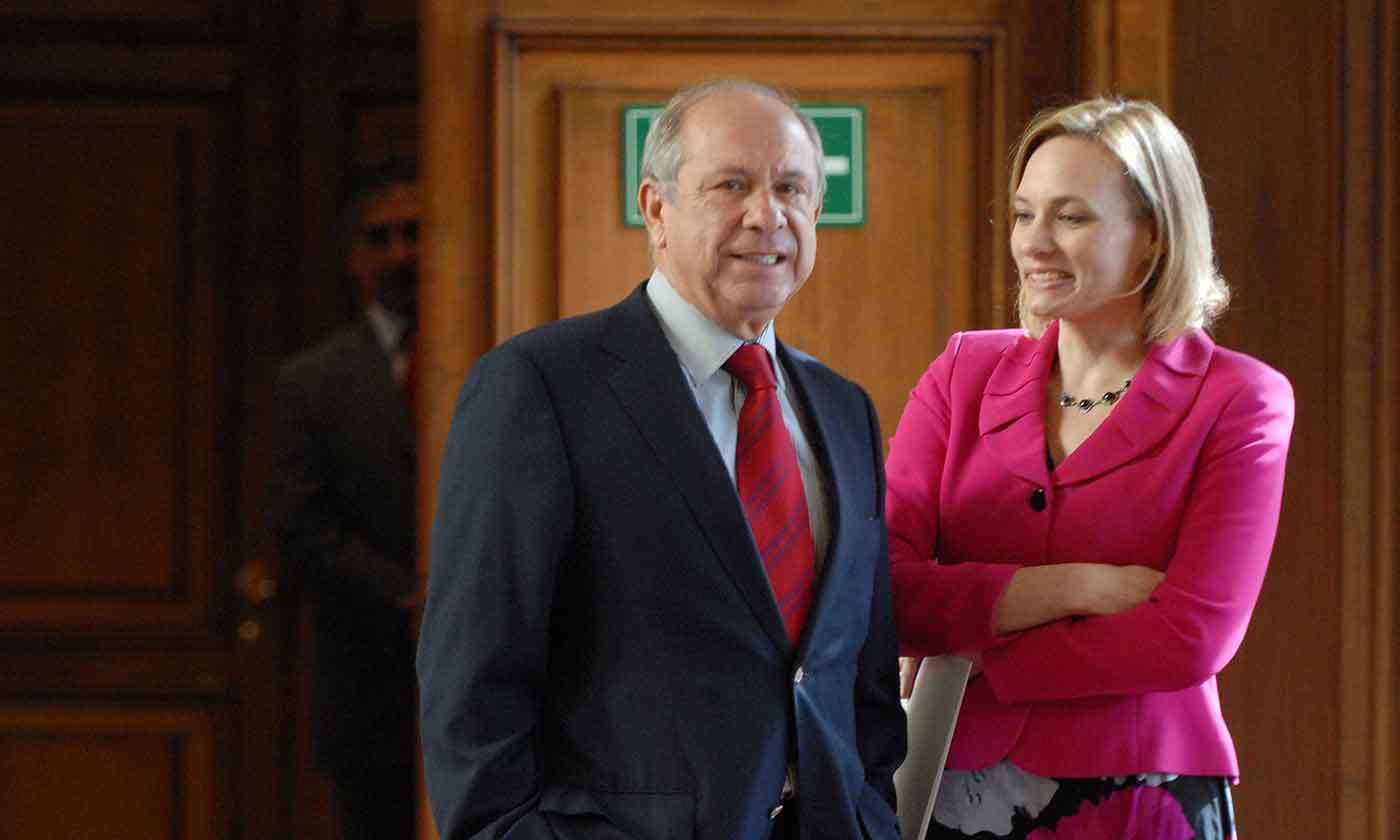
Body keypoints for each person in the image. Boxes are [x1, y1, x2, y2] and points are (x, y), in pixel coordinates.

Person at [416, 80, 905, 840]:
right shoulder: (542, 386)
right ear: (656, 209)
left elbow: (861, 681)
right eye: (731, 185)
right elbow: (475, 680)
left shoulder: (846, 411)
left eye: (791, 189)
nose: (766, 215)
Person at [886, 97, 1294, 839]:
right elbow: (884, 588)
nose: (1034, 242)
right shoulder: (962, 372)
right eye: (1023, 214)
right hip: (953, 786)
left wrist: (984, 656)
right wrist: (1074, 587)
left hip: (1142, 793)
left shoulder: (1241, 399)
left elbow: (1192, 636)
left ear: (1153, 237)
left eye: (1071, 217)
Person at [267, 160, 422, 840]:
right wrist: (407, 597)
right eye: (380, 238)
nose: (401, 253)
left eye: (415, 232)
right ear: (353, 257)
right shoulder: (312, 382)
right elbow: (300, 522)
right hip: (370, 681)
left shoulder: (500, 354)